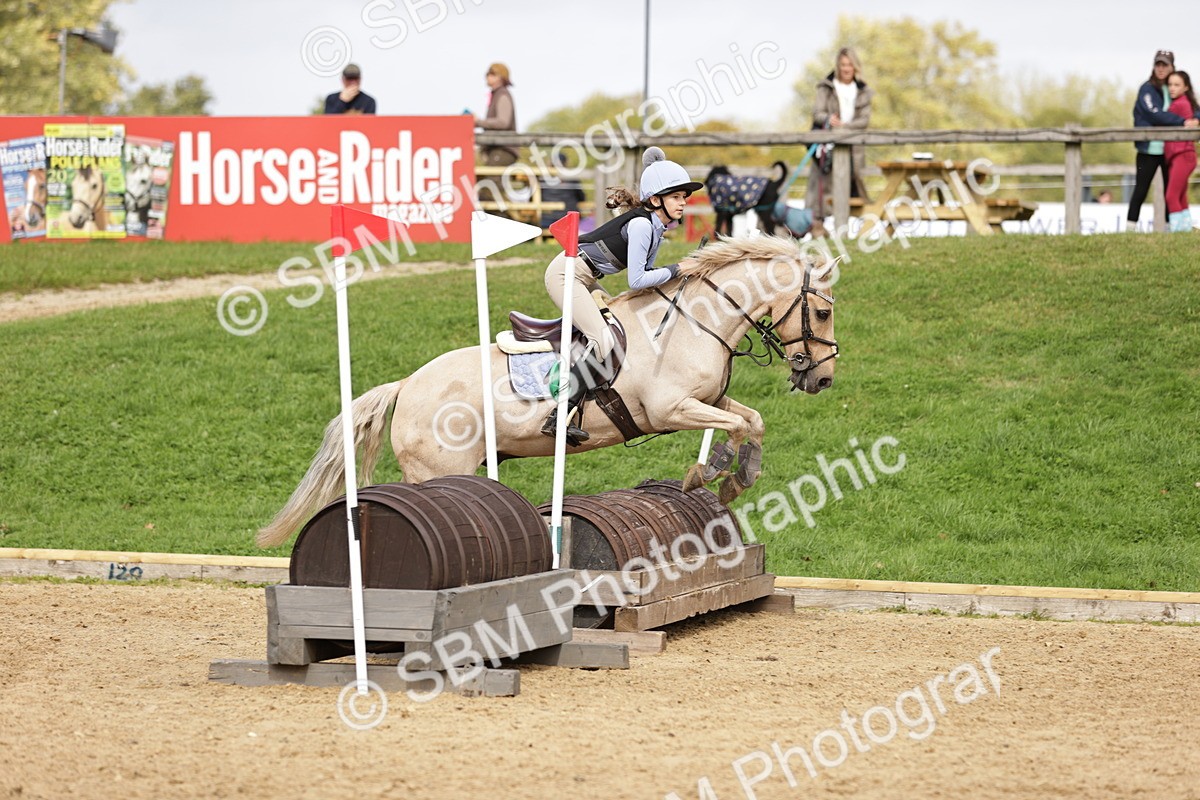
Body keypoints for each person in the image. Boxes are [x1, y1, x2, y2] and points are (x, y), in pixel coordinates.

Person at [540, 147, 701, 444]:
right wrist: (678, 269)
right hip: (566, 275)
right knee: (603, 340)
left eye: (684, 197)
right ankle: (559, 415)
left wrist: (681, 275)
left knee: (621, 326)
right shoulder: (642, 225)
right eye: (676, 197)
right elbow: (637, 280)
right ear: (656, 200)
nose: (683, 203)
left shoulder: (655, 227)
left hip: (586, 277)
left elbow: (648, 276)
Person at [1126, 50, 1198, 231]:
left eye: (1165, 65)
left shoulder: (1174, 88)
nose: (1161, 68)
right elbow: (1155, 114)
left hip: (1170, 151)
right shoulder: (1147, 89)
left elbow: (1193, 107)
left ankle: (1170, 229)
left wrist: (1196, 119)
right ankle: (1130, 228)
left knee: (1171, 190)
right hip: (1149, 149)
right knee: (1141, 189)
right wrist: (1183, 122)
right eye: (1158, 64)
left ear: (1172, 67)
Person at [806, 47, 874, 221]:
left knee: (854, 186)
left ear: (855, 66)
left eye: (850, 65)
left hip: (854, 147)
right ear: (838, 66)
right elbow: (817, 114)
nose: (846, 69)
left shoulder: (863, 90)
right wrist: (829, 119)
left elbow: (864, 120)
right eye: (843, 65)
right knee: (822, 187)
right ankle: (817, 223)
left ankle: (855, 226)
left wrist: (846, 126)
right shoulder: (826, 87)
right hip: (827, 145)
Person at [1164, 70, 1198, 231]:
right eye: (1170, 84)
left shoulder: (1180, 104)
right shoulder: (1185, 102)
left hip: (1182, 155)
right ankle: (1185, 230)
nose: (1172, 88)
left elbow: (1162, 120)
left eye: (1177, 85)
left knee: (1171, 196)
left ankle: (1177, 231)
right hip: (1183, 155)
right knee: (1180, 196)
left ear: (1186, 87)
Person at [475, 63, 518, 167]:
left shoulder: (502, 95)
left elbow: (503, 122)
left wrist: (478, 122)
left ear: (500, 77)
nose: (487, 77)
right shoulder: (497, 94)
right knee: (486, 176)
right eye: (488, 74)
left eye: (492, 74)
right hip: (497, 149)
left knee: (490, 176)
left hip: (503, 149)